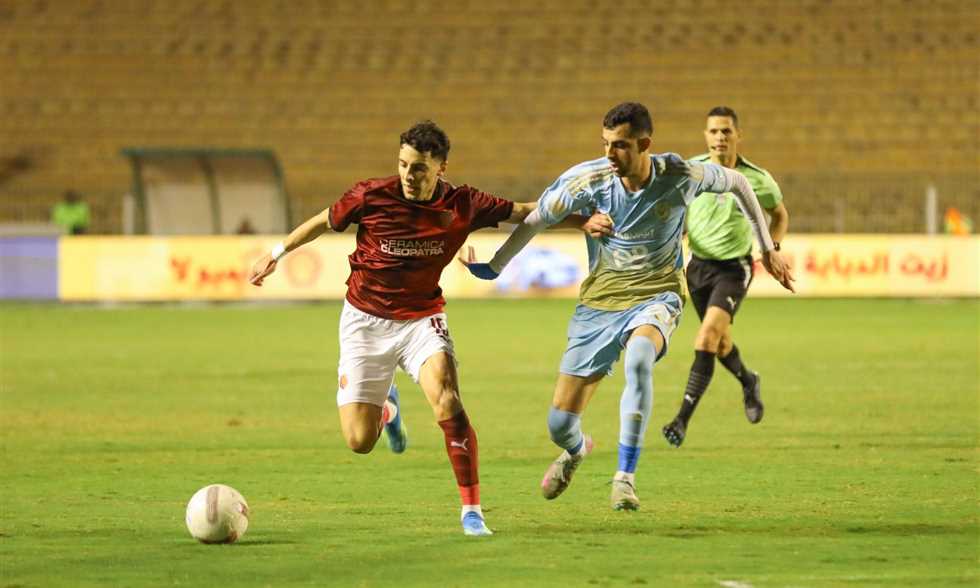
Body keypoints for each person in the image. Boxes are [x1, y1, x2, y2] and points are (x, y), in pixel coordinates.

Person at [248, 120, 604, 536]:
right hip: (364, 323)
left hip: (421, 319)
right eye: (403, 164)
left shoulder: (463, 203)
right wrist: (276, 253)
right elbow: (323, 221)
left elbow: (526, 212)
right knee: (359, 441)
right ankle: (388, 408)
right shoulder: (371, 195)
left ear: (441, 168)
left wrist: (581, 221)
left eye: (418, 167)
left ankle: (472, 511)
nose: (408, 175)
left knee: (448, 399)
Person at [459, 102, 794, 511]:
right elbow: (537, 217)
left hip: (658, 294)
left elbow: (738, 183)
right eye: (605, 143)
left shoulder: (679, 174)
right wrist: (495, 267)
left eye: (619, 145)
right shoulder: (589, 179)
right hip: (600, 302)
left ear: (644, 144)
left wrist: (768, 249)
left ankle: (624, 479)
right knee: (559, 425)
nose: (609, 153)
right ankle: (577, 449)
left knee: (639, 359)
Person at [661, 106, 790, 448]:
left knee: (706, 338)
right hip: (697, 268)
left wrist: (773, 247)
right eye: (714, 131)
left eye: (726, 131)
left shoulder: (757, 178)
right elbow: (676, 207)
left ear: (738, 135)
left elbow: (779, 214)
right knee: (720, 343)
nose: (720, 137)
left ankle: (680, 420)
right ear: (706, 136)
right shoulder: (693, 169)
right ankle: (749, 380)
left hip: (734, 269)